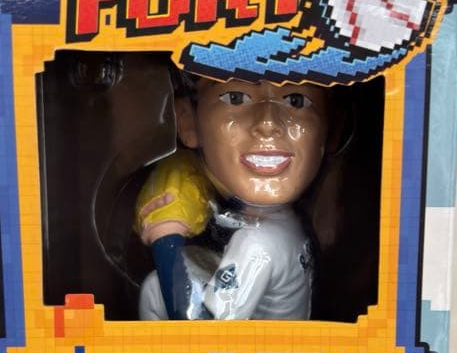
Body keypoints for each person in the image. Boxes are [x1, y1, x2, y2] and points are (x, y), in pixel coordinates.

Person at [136, 74, 330, 320]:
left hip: (254, 345)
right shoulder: (287, 222)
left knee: (154, 289)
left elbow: (201, 327)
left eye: (296, 101)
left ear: (330, 129)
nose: (268, 123)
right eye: (235, 98)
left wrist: (165, 235)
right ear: (188, 122)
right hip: (282, 335)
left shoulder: (257, 242)